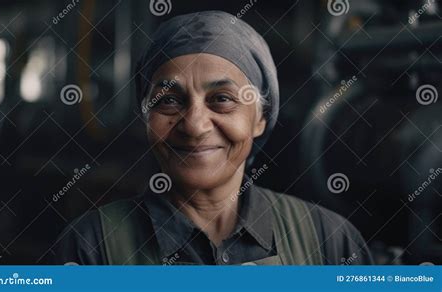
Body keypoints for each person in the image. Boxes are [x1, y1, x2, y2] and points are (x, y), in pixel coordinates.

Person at [52, 11, 373, 265]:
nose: (194, 125)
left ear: (260, 118)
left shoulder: (328, 241)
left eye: (221, 99)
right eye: (168, 100)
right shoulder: (92, 246)